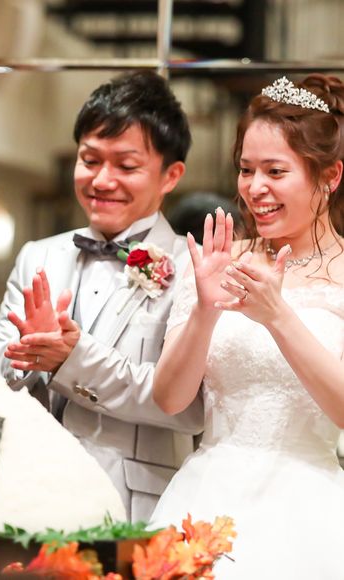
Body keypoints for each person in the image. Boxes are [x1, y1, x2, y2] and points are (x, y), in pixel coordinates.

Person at [0, 71, 204, 522]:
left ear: (171, 175)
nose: (102, 180)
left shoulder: (194, 269)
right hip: (28, 493)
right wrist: (27, 353)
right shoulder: (38, 255)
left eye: (126, 166)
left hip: (134, 506)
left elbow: (191, 408)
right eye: (90, 160)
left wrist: (72, 360)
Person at [151, 74, 344, 578]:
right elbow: (169, 399)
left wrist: (278, 316)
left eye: (275, 171)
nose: (255, 188)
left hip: (308, 510)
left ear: (329, 176)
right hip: (205, 495)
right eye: (246, 169)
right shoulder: (218, 260)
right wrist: (204, 310)